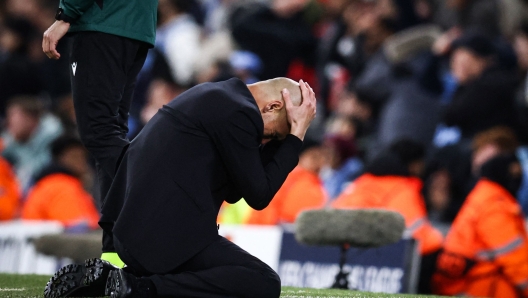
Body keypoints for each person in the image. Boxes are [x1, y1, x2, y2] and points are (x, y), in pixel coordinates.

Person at [45, 77, 316, 298]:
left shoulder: (220, 98)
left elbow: (237, 192)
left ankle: (110, 282)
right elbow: (259, 195)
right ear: (272, 106)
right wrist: (296, 137)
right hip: (162, 238)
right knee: (264, 281)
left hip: (134, 232)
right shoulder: (239, 114)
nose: (269, 140)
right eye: (275, 134)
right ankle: (135, 287)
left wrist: (284, 136)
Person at [42, 0, 158, 268]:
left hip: (104, 22)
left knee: (99, 133)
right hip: (136, 27)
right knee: (111, 133)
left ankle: (159, 204)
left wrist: (65, 15)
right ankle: (115, 251)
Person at [332, 138, 443, 293]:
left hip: (343, 254)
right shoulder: (402, 188)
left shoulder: (360, 182)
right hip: (386, 261)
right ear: (414, 164)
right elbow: (420, 237)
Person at [432, 154, 528, 298]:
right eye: (514, 172)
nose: (517, 178)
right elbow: (515, 260)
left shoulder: (484, 195)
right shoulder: (495, 204)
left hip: (460, 284)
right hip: (475, 287)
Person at [21, 135, 99, 230]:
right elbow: (77, 226)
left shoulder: (53, 182)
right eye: (75, 156)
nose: (82, 162)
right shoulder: (60, 185)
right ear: (61, 159)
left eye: (83, 157)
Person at [246, 140, 327, 225]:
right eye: (314, 157)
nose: (319, 163)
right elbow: (267, 208)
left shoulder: (320, 185)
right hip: (273, 232)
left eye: (323, 158)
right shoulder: (286, 179)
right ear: (300, 157)